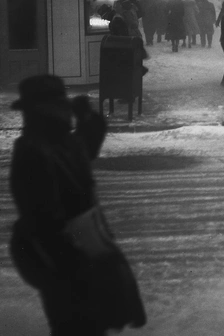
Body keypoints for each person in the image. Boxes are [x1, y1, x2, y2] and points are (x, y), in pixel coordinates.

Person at [8, 74, 146, 335]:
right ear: (49, 110)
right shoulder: (40, 149)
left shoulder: (54, 142)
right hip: (66, 260)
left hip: (75, 256)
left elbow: (87, 145)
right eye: (61, 106)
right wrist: (77, 267)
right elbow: (46, 221)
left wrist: (88, 118)